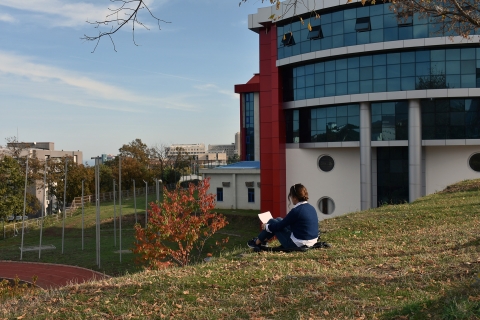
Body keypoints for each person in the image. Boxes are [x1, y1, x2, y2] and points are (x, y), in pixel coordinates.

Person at [247, 183, 319, 250]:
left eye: (290, 196)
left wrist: (266, 226)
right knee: (278, 219)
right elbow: (284, 223)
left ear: (295, 198)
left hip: (296, 244)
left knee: (272, 222)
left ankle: (257, 242)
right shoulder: (311, 208)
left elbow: (279, 226)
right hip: (311, 241)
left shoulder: (296, 211)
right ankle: (263, 240)